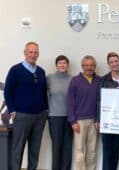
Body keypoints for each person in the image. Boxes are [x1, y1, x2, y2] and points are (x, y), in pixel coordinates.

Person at [4, 41, 48, 170]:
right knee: (18, 149)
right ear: (25, 53)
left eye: (36, 52)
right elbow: (8, 91)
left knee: (35, 149)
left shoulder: (40, 71)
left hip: (40, 116)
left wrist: (45, 110)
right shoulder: (15, 70)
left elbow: (44, 91)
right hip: (22, 115)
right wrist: (12, 110)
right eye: (30, 52)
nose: (33, 55)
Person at [67, 55, 101, 170]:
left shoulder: (99, 80)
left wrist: (98, 119)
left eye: (91, 65)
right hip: (79, 121)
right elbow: (70, 102)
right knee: (79, 150)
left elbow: (100, 102)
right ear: (82, 66)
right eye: (86, 65)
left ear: (94, 66)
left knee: (92, 150)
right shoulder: (75, 80)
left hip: (94, 121)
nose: (89, 67)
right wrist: (73, 121)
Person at [100, 52, 119, 170]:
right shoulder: (103, 80)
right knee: (107, 151)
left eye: (116, 61)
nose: (114, 64)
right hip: (106, 120)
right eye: (111, 62)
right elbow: (98, 100)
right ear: (108, 64)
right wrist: (98, 119)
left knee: (116, 150)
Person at [47, 55, 73, 170]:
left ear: (67, 65)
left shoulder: (73, 79)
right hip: (54, 117)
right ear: (56, 65)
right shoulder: (49, 78)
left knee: (67, 147)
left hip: (70, 117)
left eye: (64, 63)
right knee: (56, 146)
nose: (62, 65)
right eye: (60, 63)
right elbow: (43, 95)